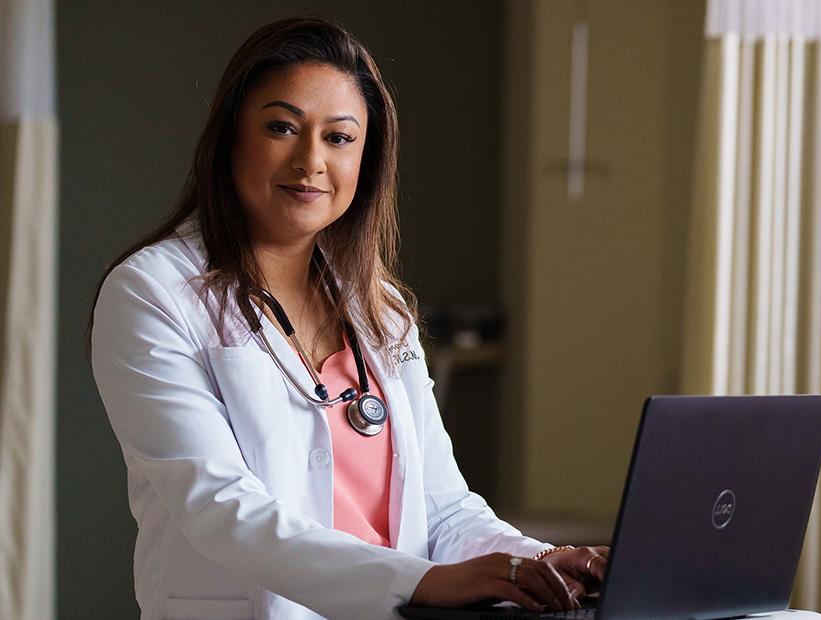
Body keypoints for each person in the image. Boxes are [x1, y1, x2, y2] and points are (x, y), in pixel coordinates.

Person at [88, 16, 606, 620]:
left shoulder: (377, 308)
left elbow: (443, 508)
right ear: (231, 136)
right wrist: (422, 582)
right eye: (282, 127)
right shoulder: (152, 294)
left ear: (366, 160)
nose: (310, 160)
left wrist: (536, 563)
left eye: (339, 138)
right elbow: (221, 507)